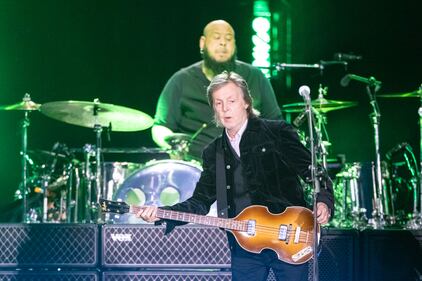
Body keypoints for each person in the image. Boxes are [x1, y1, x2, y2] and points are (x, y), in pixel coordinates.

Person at [138, 71, 334, 281]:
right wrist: (163, 213)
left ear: (246, 103)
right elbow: (200, 202)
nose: (225, 108)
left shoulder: (277, 132)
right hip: (245, 247)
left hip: (291, 235)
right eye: (218, 103)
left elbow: (313, 171)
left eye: (231, 100)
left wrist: (324, 200)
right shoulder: (214, 152)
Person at [152, 19, 282, 160]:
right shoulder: (181, 80)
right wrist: (175, 147)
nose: (223, 43)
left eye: (228, 39)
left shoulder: (254, 76)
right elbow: (159, 127)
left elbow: (275, 123)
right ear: (203, 43)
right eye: (217, 38)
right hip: (196, 167)